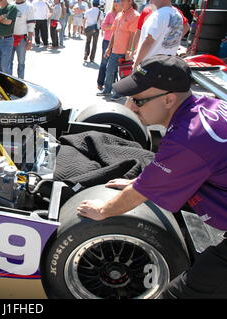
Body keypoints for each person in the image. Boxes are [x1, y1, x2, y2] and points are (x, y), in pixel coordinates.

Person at [77, 54, 227, 299]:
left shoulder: (189, 139)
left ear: (168, 99)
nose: (131, 107)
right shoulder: (205, 107)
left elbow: (143, 191)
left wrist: (104, 211)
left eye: (138, 100)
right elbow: (171, 173)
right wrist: (145, 183)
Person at [96, 0, 138, 101]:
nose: (120, 3)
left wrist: (129, 51)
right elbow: (114, 33)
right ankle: (107, 90)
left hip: (125, 52)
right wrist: (109, 48)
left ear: (130, 1)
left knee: (123, 74)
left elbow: (133, 35)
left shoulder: (135, 16)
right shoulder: (119, 14)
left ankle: (119, 93)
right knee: (109, 71)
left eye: (122, 1)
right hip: (115, 50)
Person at [132, 0, 189, 70]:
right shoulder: (178, 14)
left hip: (148, 66)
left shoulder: (158, 15)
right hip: (167, 65)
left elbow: (148, 42)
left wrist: (136, 65)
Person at [96, 0, 121, 90]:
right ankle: (100, 82)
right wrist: (114, 25)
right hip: (107, 41)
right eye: (115, 1)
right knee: (104, 62)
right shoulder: (110, 14)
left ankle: (112, 84)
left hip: (119, 42)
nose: (116, 3)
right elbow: (103, 27)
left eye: (118, 1)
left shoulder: (123, 14)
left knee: (114, 64)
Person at [8, 0, 34, 79]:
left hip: (21, 39)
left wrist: (29, 40)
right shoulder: (10, 5)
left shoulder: (29, 6)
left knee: (21, 63)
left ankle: (21, 82)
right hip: (9, 38)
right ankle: (9, 81)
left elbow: (31, 25)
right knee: (8, 62)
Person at [0, 0, 17, 73]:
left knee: (5, 67)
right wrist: (1, 18)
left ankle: (8, 84)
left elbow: (8, 22)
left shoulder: (12, 7)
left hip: (7, 40)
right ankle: (0, 84)